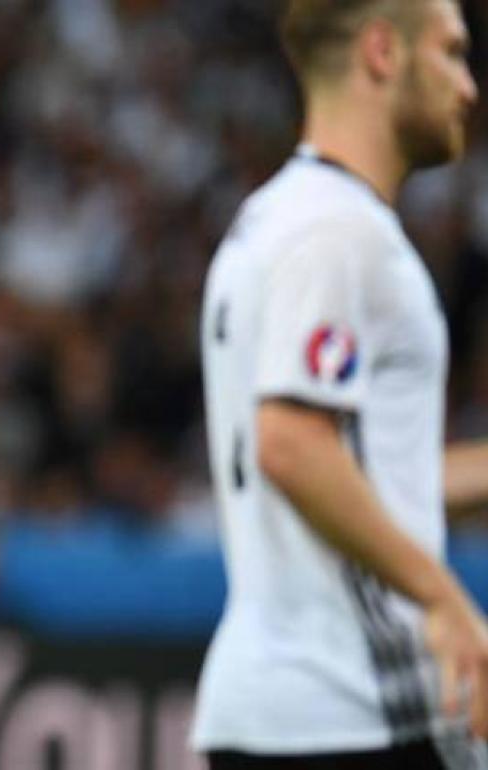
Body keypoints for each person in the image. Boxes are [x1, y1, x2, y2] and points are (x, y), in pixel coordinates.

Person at [195, 1, 487, 768]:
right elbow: (292, 446)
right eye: (452, 53)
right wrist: (445, 599)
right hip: (351, 705)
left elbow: (362, 473)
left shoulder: (271, 220)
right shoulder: (338, 232)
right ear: (383, 51)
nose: (468, 87)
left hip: (278, 702)